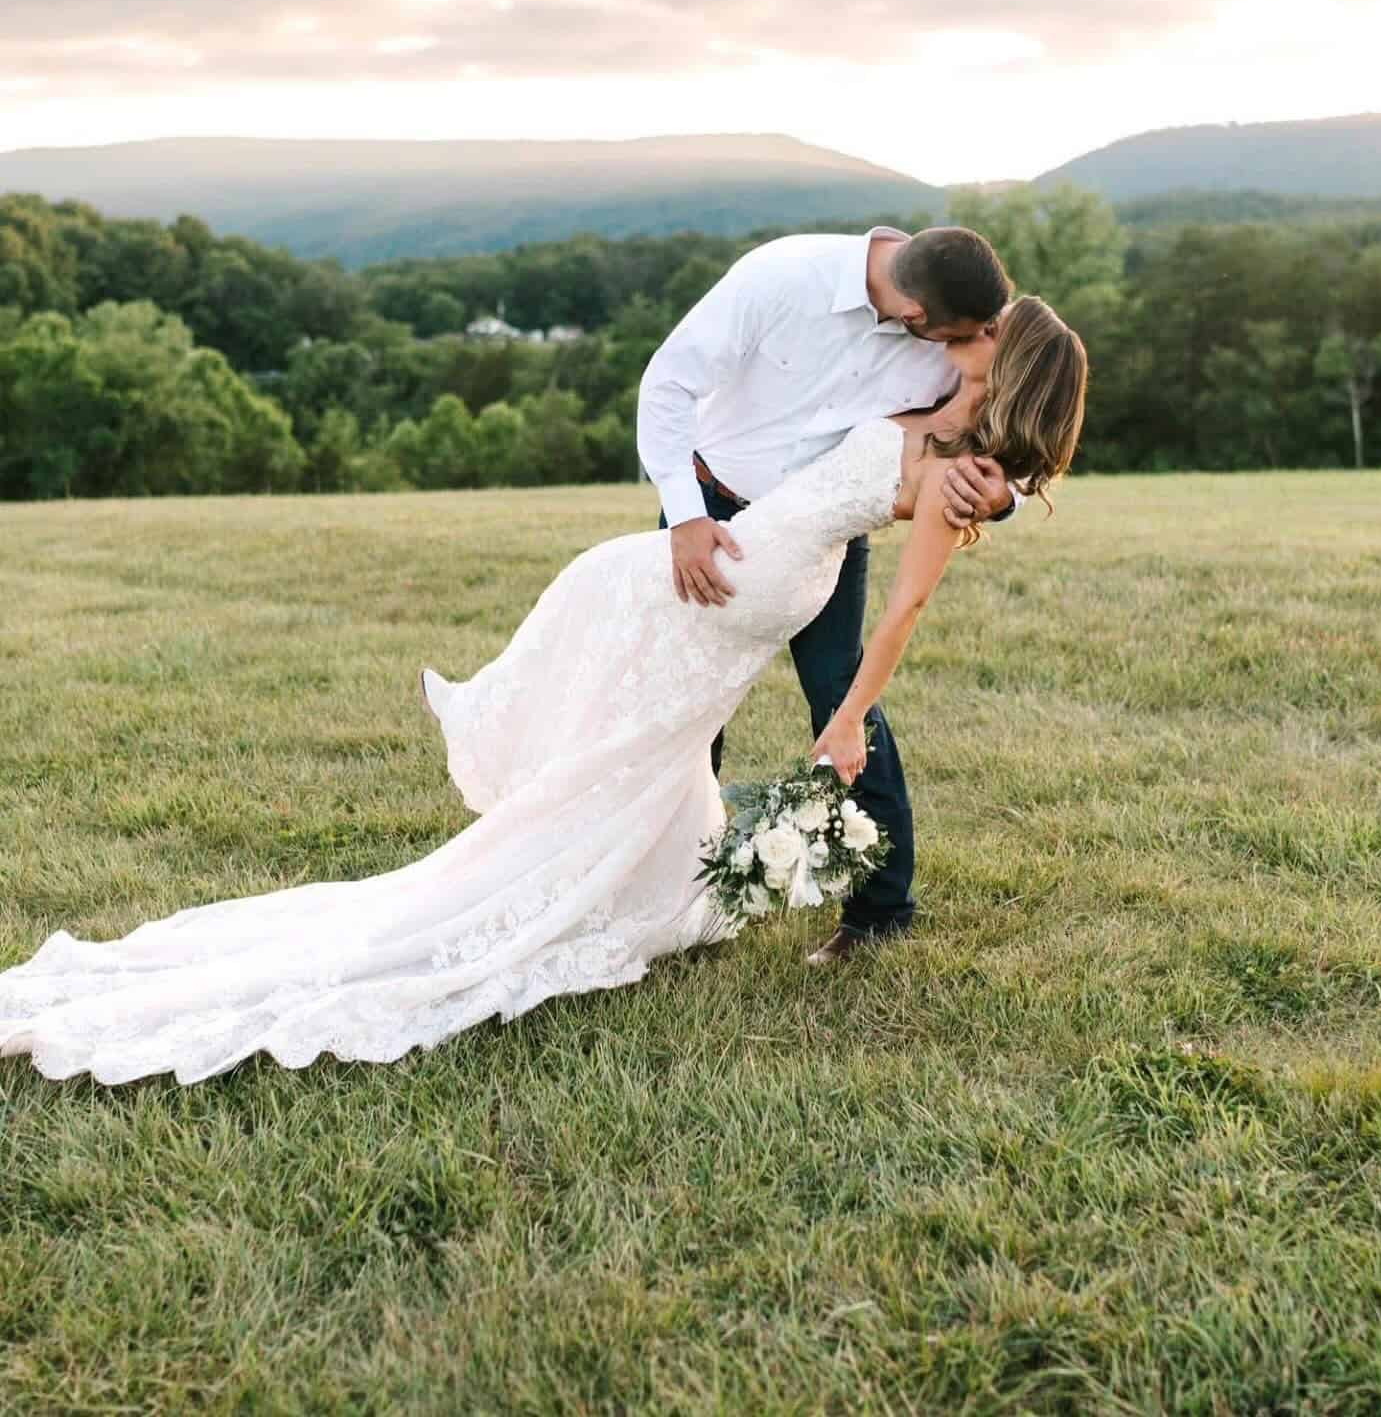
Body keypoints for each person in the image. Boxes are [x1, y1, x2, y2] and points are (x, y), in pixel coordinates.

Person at [0, 298, 1084, 1087]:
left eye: (982, 346)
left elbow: (898, 618)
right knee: (619, 760)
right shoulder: (930, 415)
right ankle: (564, 877)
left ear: (1010, 370)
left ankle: (619, 886)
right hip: (694, 589)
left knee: (643, 764)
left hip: (741, 601)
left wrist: (847, 719)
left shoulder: (960, 473)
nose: (954, 353)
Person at [637, 223, 1020, 963]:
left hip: (823, 534)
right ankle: (679, 894)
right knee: (692, 699)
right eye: (965, 334)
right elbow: (670, 381)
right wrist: (684, 514)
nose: (979, 341)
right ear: (918, 317)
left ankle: (880, 910)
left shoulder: (961, 320)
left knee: (842, 693)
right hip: (712, 513)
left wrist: (1001, 492)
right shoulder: (781, 277)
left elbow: (1022, 414)